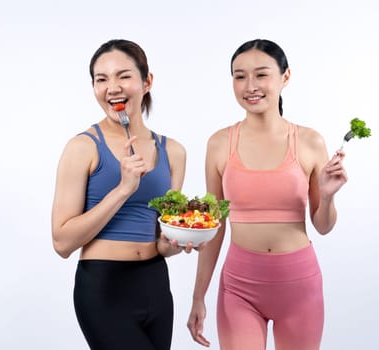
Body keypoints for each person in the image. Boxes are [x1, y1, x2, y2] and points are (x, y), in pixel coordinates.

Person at [187, 39, 348, 350]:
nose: (250, 86)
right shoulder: (220, 143)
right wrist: (198, 296)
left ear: (285, 77)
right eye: (239, 76)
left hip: (299, 286)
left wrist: (327, 197)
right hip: (239, 288)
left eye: (261, 75)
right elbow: (214, 226)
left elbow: (323, 226)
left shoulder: (309, 141)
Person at [51, 39, 195, 350]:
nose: (112, 87)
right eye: (101, 79)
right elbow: (62, 243)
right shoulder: (83, 147)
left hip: (156, 285)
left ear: (147, 81)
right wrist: (123, 189)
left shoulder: (174, 152)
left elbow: (160, 238)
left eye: (123, 76)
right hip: (104, 288)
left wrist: (178, 241)